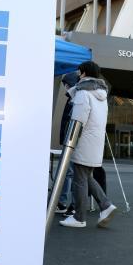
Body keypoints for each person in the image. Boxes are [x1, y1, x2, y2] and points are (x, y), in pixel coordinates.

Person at [59, 61, 118, 229]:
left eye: (79, 72)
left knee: (80, 180)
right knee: (86, 176)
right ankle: (105, 205)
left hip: (83, 141)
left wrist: (70, 142)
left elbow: (78, 120)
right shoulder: (101, 94)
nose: (78, 75)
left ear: (84, 73)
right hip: (95, 142)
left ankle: (79, 217)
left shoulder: (83, 92)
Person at [54, 71, 81, 217]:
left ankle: (68, 204)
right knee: (68, 173)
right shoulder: (71, 98)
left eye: (66, 85)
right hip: (70, 141)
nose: (65, 87)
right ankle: (65, 203)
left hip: (72, 141)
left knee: (69, 173)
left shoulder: (76, 98)